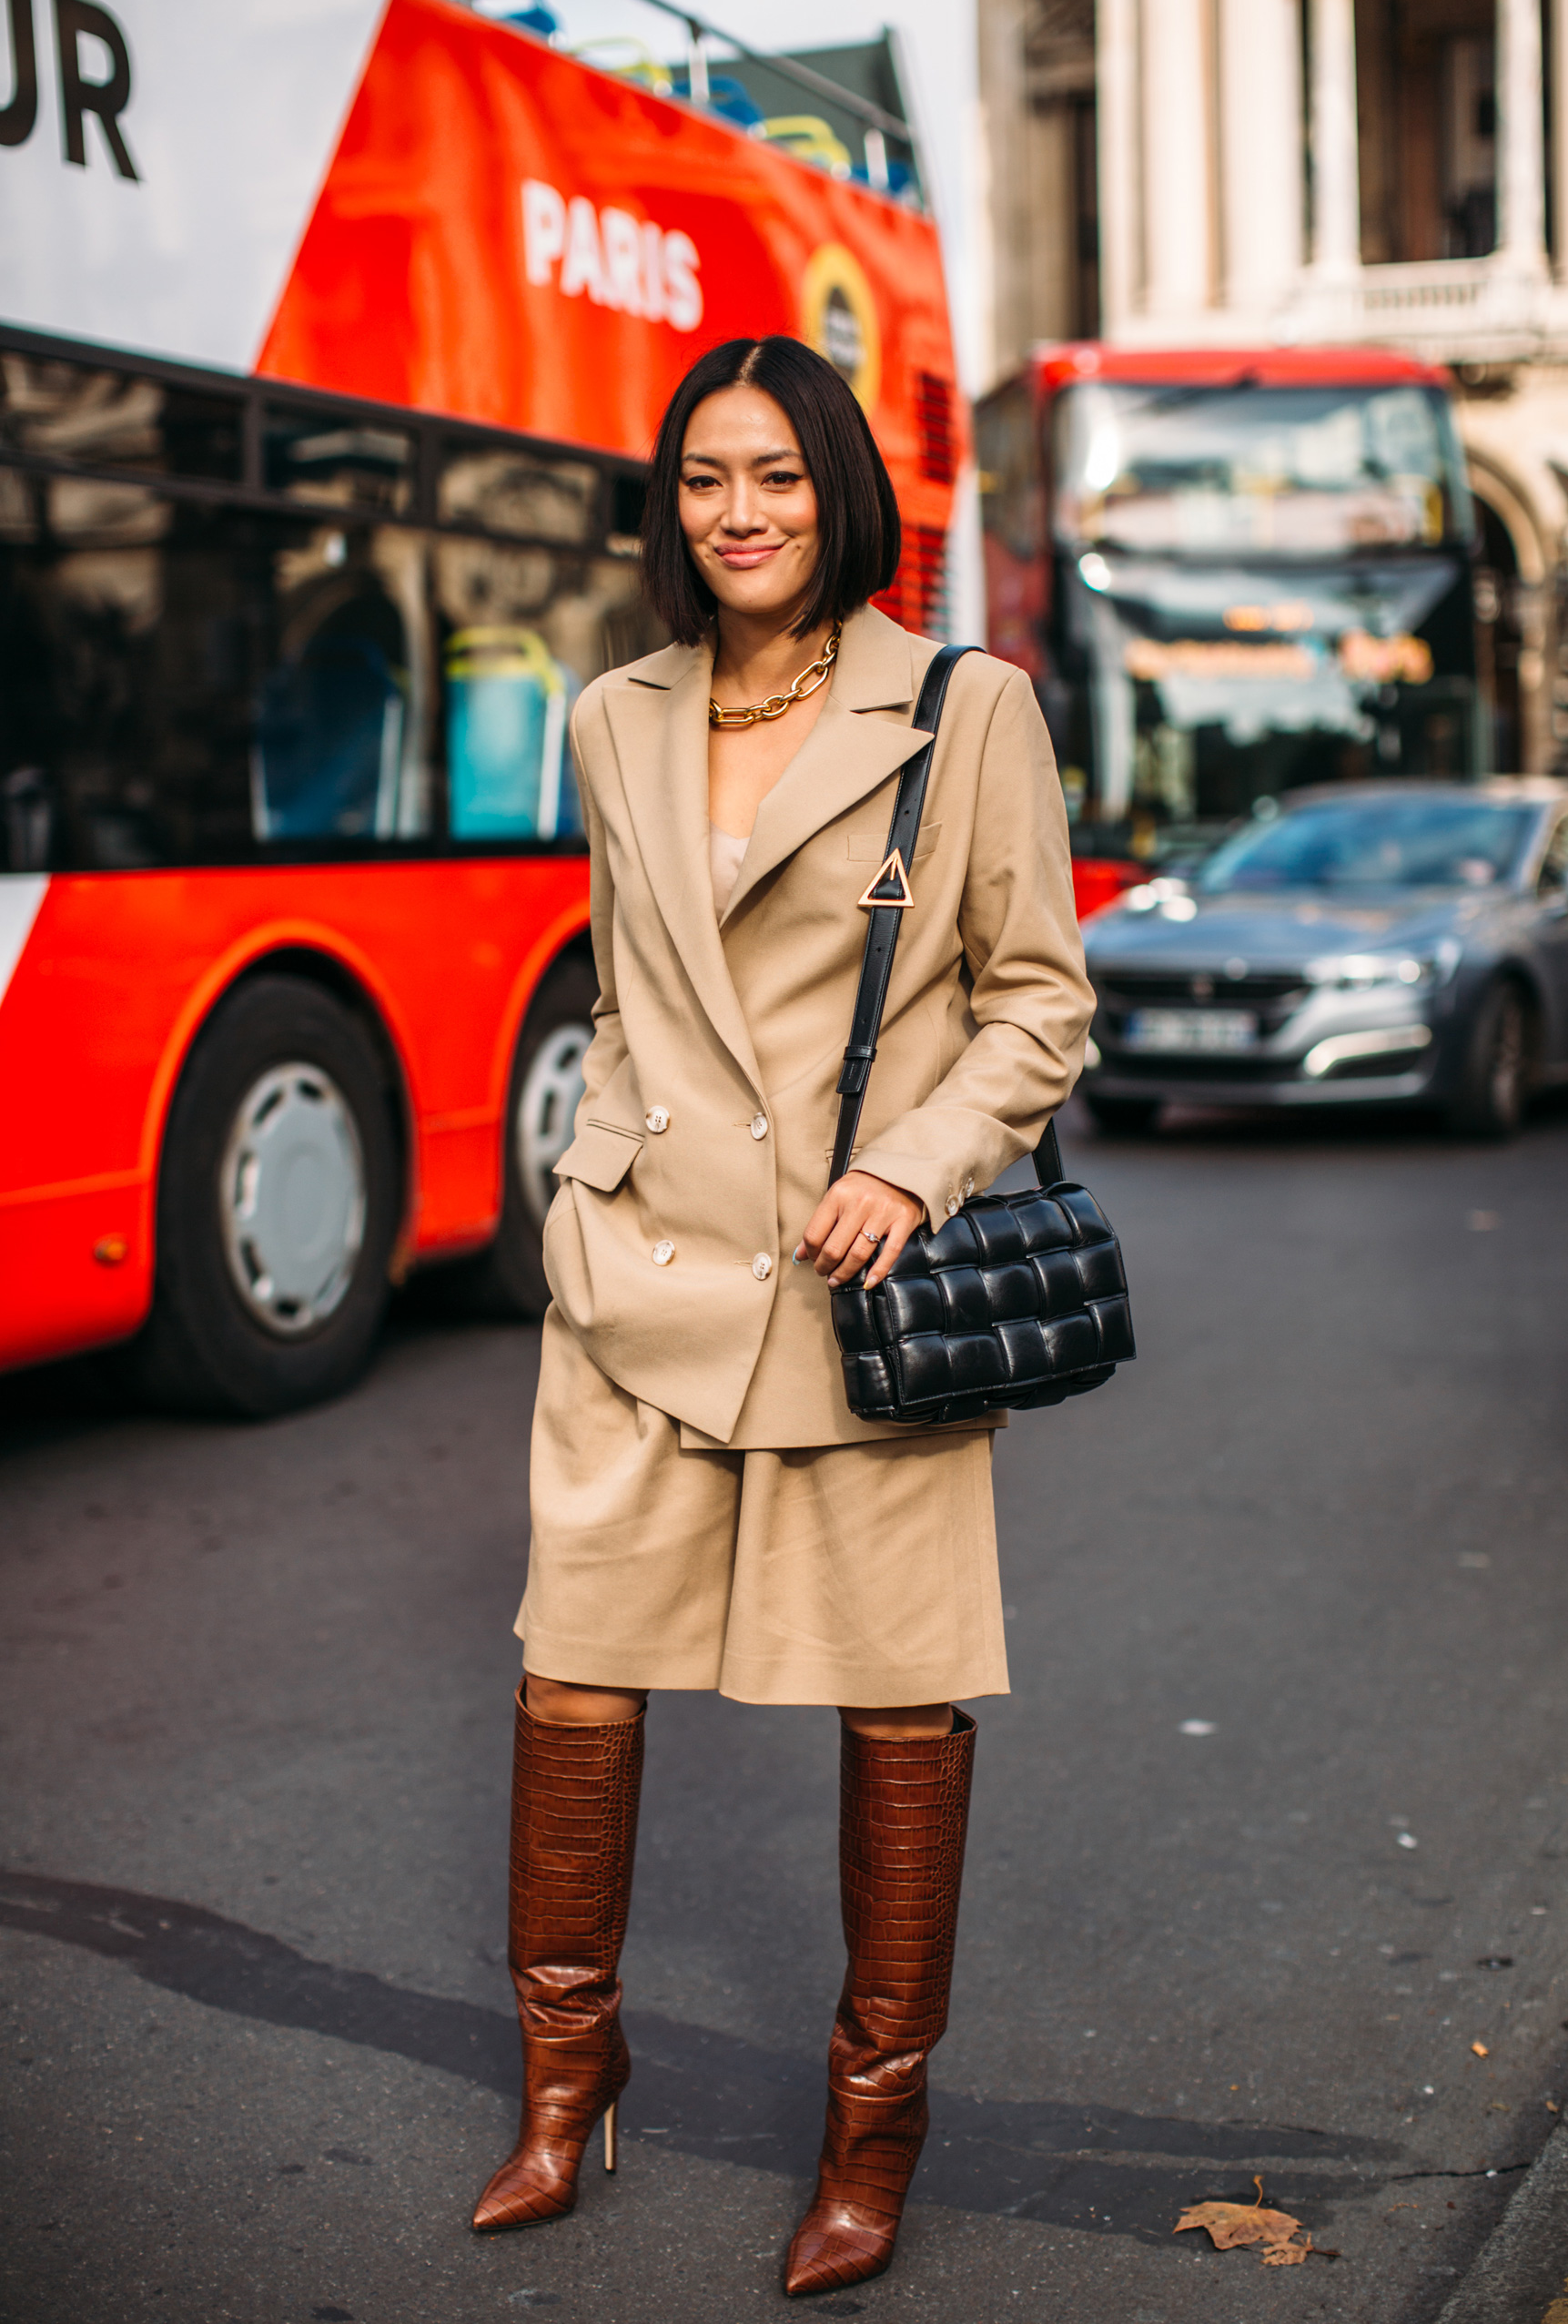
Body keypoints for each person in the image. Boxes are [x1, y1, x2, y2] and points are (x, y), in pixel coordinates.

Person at [470, 334, 1093, 2295]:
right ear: (671, 506)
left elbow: (1039, 999)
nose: (741, 513)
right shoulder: (610, 718)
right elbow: (620, 995)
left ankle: (871, 2131)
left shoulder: (964, 707)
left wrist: (912, 1163)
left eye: (780, 477)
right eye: (707, 479)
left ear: (841, 491)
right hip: (637, 1279)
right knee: (573, 1680)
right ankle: (570, 2087)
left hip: (862, 1289)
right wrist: (591, 1180)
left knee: (899, 1708)